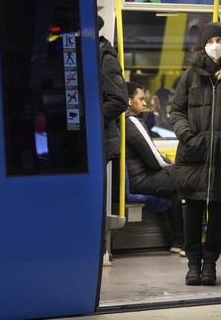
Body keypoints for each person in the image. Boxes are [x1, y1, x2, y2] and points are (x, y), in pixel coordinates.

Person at [170, 22, 221, 286]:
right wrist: (188, 137)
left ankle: (210, 264)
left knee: (218, 212)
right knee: (193, 211)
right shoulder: (190, 76)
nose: (215, 45)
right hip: (194, 156)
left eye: (219, 40)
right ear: (204, 45)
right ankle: (192, 264)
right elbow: (176, 111)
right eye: (210, 40)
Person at [124, 81, 185, 255]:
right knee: (185, 176)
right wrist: (172, 165)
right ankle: (192, 240)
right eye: (141, 99)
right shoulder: (132, 121)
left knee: (174, 188)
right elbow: (154, 159)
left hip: (138, 177)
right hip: (140, 179)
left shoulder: (126, 120)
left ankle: (179, 242)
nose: (144, 103)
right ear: (129, 100)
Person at [97, 15, 129, 265]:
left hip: (99, 140)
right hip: (84, 141)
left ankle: (100, 249)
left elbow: (118, 100)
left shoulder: (105, 60)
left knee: (94, 199)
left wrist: (88, 125)